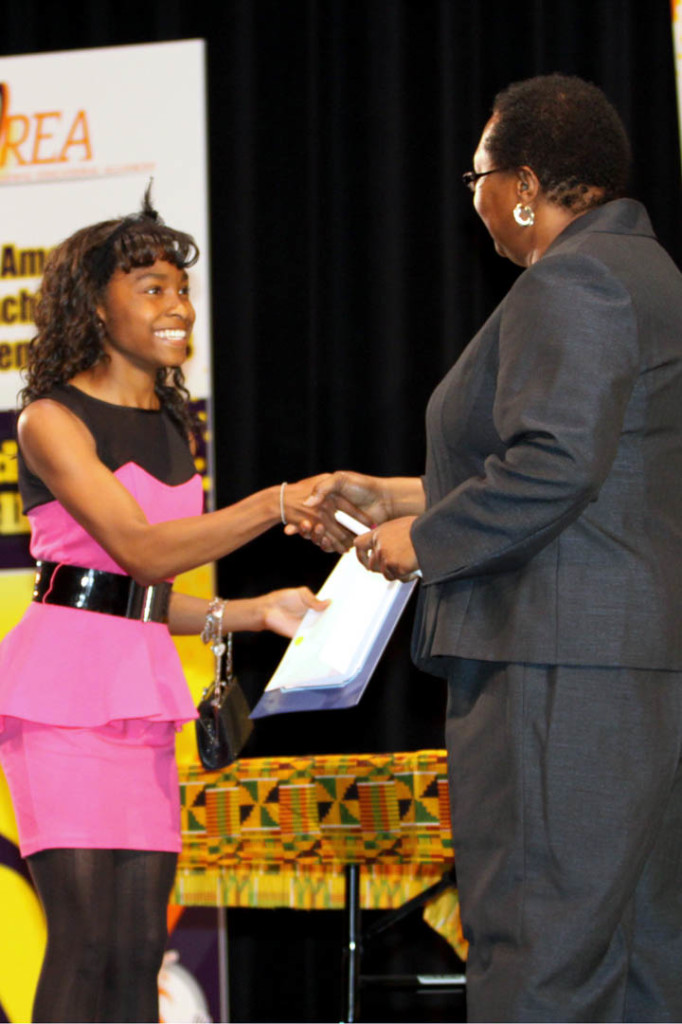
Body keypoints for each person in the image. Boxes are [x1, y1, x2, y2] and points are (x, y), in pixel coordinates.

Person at [298, 75, 682, 1022]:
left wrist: (415, 543)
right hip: (624, 666)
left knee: (536, 953)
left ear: (519, 185)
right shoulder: (649, 272)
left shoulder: (573, 278)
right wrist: (390, 495)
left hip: (555, 664)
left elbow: (552, 469)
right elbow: (591, 472)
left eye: (474, 176)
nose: (472, 200)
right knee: (632, 961)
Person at [0, 193, 346, 1024]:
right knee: (83, 946)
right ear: (94, 305)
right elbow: (139, 551)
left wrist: (253, 611)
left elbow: (141, 596)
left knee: (133, 955)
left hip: (142, 704)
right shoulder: (49, 418)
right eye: (151, 288)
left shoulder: (171, 420)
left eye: (180, 289)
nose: (177, 306)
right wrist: (276, 502)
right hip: (61, 706)